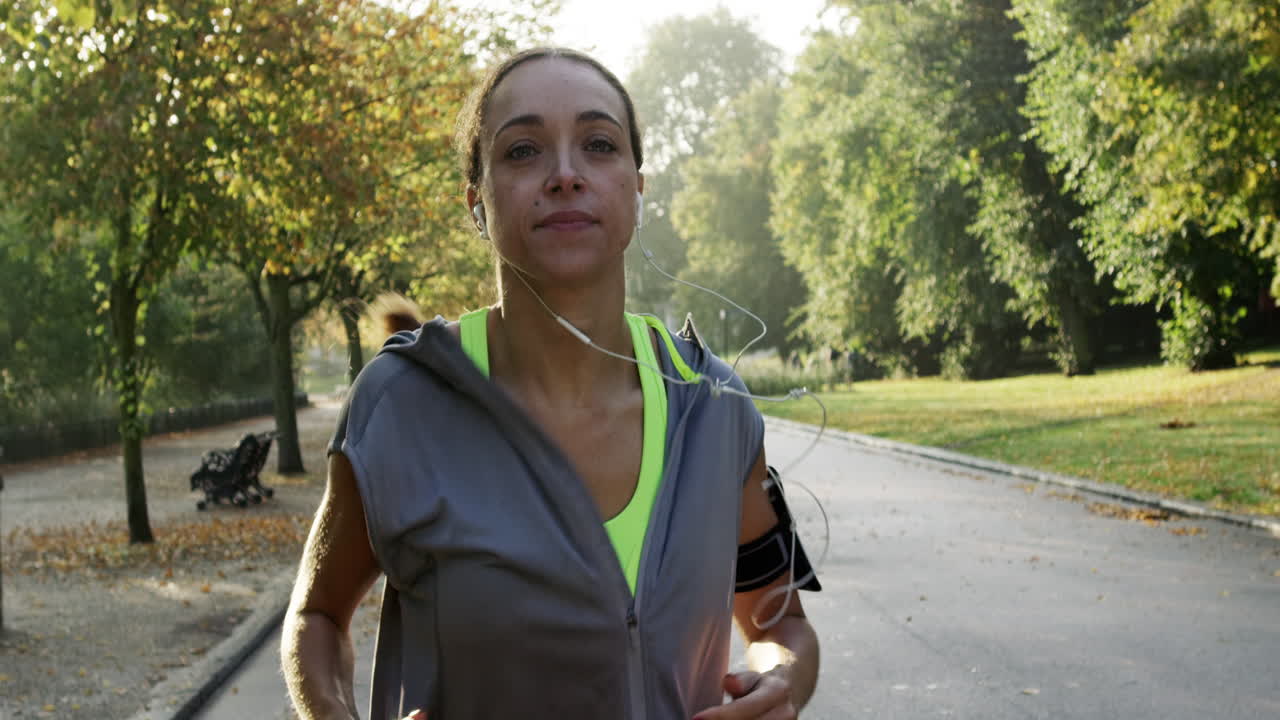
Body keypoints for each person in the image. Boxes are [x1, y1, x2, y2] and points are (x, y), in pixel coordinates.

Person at [281, 47, 822, 720]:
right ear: (476, 200)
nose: (565, 175)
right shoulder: (397, 404)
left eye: (598, 145)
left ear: (636, 185)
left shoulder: (718, 407)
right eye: (522, 151)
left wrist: (783, 683)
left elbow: (780, 625)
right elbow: (318, 616)